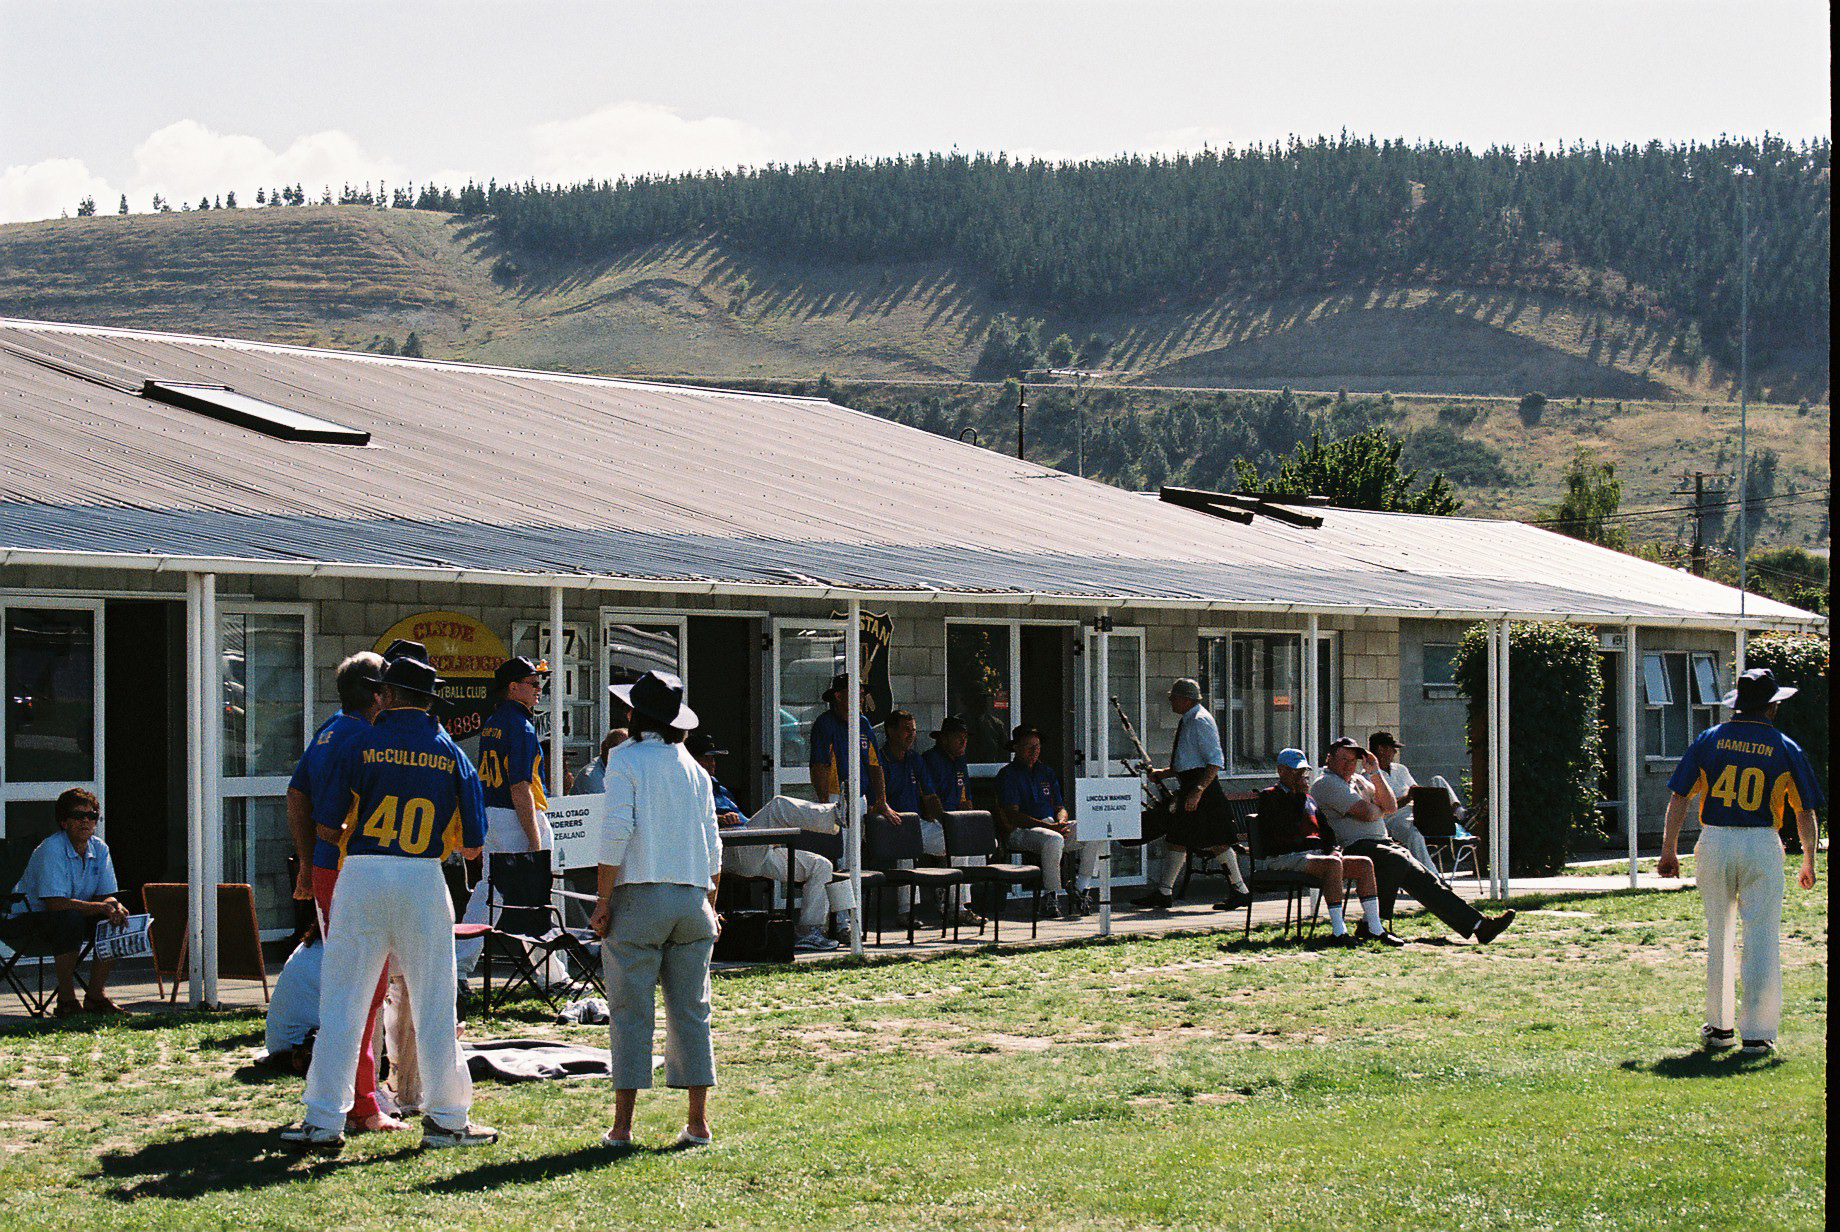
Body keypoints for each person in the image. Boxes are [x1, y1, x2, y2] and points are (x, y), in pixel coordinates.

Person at [280, 653, 494, 1154]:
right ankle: (447, 1120)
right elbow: (473, 842)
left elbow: (329, 826)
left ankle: (322, 1120)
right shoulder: (451, 752)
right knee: (435, 1004)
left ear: (387, 694)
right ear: (429, 700)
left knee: (343, 1004)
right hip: (423, 878)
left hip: (362, 874)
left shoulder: (361, 741)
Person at [1657, 667, 1822, 1057]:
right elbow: (1805, 810)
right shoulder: (1784, 746)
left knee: (1720, 934)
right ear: (1772, 706)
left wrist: (1668, 849)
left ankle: (1719, 1028)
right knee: (1762, 937)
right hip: (1761, 842)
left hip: (1715, 840)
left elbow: (1680, 796)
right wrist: (1810, 860)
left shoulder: (1709, 739)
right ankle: (1758, 1033)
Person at [590, 670, 723, 1151]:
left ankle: (623, 1126)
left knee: (630, 1012)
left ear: (633, 714)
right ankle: (698, 1122)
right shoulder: (693, 768)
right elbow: (714, 848)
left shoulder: (625, 760)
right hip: (692, 898)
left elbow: (615, 833)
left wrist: (604, 900)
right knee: (691, 1011)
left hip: (640, 896)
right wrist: (711, 903)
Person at [282, 649, 404, 1133]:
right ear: (379, 695)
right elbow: (328, 817)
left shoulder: (329, 730)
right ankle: (360, 1103)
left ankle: (359, 1094)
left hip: (332, 870)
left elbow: (296, 794)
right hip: (355, 869)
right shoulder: (366, 737)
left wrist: (308, 863)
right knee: (363, 987)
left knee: (358, 985)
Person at [1311, 737, 1514, 944]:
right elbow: (1367, 813)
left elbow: (1390, 807)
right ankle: (1372, 925)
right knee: (1396, 859)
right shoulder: (1326, 783)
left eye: (1353, 761)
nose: (1348, 765)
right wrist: (1377, 807)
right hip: (1350, 846)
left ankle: (1479, 925)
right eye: (1343, 759)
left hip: (1380, 844)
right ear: (1329, 758)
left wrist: (1375, 773)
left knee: (1425, 879)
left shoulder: (1360, 780)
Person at [692, 731, 853, 951]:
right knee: (778, 806)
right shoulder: (689, 786)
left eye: (714, 758)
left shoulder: (720, 787)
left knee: (820, 865)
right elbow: (685, 823)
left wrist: (769, 838)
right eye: (706, 758)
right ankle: (834, 815)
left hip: (751, 847)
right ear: (691, 759)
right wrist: (717, 819)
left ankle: (808, 931)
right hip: (726, 850)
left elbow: (744, 821)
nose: (712, 763)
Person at [457, 656, 553, 974]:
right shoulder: (521, 726)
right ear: (513, 688)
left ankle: (459, 964)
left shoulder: (495, 721)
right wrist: (535, 841)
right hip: (518, 816)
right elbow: (520, 787)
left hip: (494, 815)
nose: (539, 688)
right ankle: (552, 973)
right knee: (534, 895)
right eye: (533, 683)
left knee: (491, 892)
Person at [2, 788, 129, 1017]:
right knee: (69, 919)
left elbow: (105, 895)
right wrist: (101, 907)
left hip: (67, 918)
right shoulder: (51, 848)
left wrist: (114, 905)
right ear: (63, 822)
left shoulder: (100, 848)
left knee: (114, 918)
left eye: (91, 816)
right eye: (78, 816)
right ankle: (66, 1000)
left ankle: (95, 996)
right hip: (26, 921)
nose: (85, 821)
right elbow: (55, 904)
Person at [1254, 750, 1400, 944]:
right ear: (1281, 771)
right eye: (1295, 772)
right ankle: (1339, 931)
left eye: (1303, 772)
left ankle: (1374, 927)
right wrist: (1297, 798)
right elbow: (1281, 832)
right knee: (1331, 865)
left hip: (1315, 856)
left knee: (1364, 864)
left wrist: (1333, 849)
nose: (1302, 776)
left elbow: (1326, 831)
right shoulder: (1270, 797)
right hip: (1286, 856)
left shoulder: (1309, 800)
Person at [1134, 678, 1253, 912]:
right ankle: (1164, 892)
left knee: (1219, 840)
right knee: (1177, 838)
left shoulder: (1200, 721)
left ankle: (1240, 890)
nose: (1170, 701)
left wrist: (1198, 791)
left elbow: (1214, 761)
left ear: (1186, 699)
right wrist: (1164, 774)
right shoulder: (1189, 720)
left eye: (1174, 697)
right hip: (1190, 784)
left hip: (1203, 789)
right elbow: (1188, 761)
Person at [881, 709, 982, 928]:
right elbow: (876, 799)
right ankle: (905, 912)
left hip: (917, 824)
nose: (911, 735)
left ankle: (957, 907)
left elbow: (931, 797)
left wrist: (948, 823)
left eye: (913, 730)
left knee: (960, 840)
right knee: (906, 847)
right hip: (887, 824)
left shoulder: (915, 759)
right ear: (890, 731)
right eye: (906, 730)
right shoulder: (881, 758)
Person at [994, 725, 1102, 918]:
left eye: (1037, 746)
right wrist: (1050, 827)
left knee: (1095, 829)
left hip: (1051, 827)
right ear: (1016, 748)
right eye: (1029, 747)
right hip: (1020, 831)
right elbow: (1013, 815)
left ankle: (1081, 887)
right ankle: (1051, 895)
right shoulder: (1008, 774)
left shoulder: (1046, 772)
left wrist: (1061, 823)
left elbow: (1060, 807)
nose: (1034, 751)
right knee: (1054, 839)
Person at [808, 674, 899, 826]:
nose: (861, 699)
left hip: (859, 797)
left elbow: (875, 765)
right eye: (856, 694)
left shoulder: (863, 723)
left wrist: (881, 801)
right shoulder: (825, 723)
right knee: (838, 846)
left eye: (862, 695)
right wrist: (824, 802)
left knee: (856, 846)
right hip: (833, 797)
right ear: (838, 696)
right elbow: (819, 765)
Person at [1369, 731, 1436, 872]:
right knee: (1414, 834)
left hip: (1414, 812)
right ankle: (1432, 876)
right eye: (1392, 748)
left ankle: (1458, 815)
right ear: (1381, 749)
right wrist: (1407, 798)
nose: (1395, 752)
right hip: (1393, 819)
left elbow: (1415, 791)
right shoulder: (1369, 777)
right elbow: (1385, 809)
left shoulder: (1401, 769)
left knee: (1438, 780)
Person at [922, 716, 975, 812]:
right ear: (944, 739)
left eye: (965, 737)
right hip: (936, 817)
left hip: (957, 816)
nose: (963, 742)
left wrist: (966, 803)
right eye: (958, 737)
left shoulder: (960, 760)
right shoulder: (931, 760)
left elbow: (966, 794)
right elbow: (927, 797)